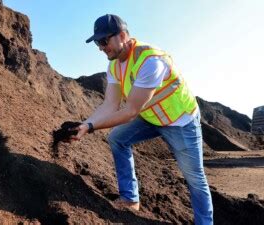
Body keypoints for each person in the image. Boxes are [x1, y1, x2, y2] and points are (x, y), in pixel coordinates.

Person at [72, 14, 213, 225]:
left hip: (179, 121)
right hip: (150, 116)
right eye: (97, 43)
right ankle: (130, 199)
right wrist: (84, 124)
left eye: (104, 41)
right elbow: (110, 105)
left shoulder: (150, 60)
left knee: (194, 178)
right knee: (117, 138)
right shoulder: (114, 66)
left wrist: (92, 127)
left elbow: (129, 111)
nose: (101, 47)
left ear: (122, 35)